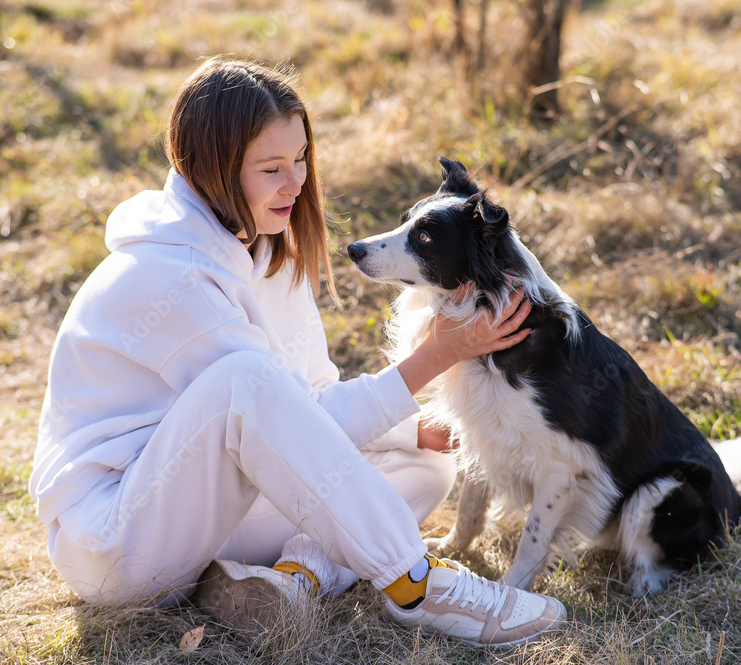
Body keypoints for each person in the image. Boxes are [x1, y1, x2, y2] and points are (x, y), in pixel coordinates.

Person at [28, 56, 566, 647]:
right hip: (116, 544)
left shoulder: (266, 250)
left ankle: (290, 581)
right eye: (271, 168)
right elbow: (271, 405)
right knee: (245, 379)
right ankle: (417, 586)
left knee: (423, 461)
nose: (295, 182)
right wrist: (437, 355)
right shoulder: (169, 276)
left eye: (301, 159)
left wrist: (407, 433)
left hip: (204, 519)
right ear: (212, 170)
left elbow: (304, 409)